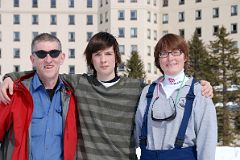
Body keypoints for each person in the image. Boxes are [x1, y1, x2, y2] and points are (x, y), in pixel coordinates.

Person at [0, 32, 213, 160]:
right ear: (90, 59)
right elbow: (47, 70)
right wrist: (10, 77)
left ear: (117, 57)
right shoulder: (79, 84)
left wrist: (200, 85)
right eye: (97, 54)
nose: (103, 60)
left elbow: (168, 85)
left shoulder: (138, 88)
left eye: (108, 53)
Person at [135, 33, 217, 160]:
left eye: (176, 52)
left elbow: (207, 140)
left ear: (185, 57)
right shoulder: (148, 92)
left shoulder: (199, 92)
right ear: (158, 60)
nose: (170, 58)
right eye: (163, 53)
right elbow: (137, 130)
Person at [0, 33, 78, 160]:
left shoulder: (73, 94)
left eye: (54, 53)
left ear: (62, 57)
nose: (48, 59)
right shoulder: (14, 93)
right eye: (41, 54)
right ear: (33, 59)